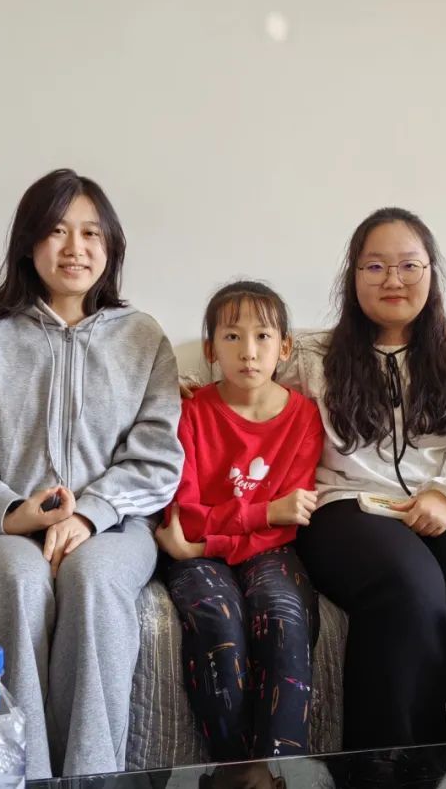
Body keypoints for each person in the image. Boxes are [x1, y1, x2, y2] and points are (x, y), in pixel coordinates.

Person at [0, 168, 184, 778]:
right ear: (28, 242)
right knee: (21, 580)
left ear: (111, 247)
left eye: (91, 233)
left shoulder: (143, 337)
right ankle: (17, 773)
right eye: (57, 231)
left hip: (114, 526)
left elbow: (157, 457)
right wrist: (13, 514)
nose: (75, 248)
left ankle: (92, 775)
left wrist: (89, 514)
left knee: (93, 581)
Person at [287, 207, 446, 749]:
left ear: (431, 273)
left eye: (408, 265)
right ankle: (394, 768)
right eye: (375, 267)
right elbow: (250, 392)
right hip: (347, 507)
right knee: (410, 589)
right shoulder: (311, 359)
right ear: (353, 277)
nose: (393, 280)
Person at [157, 281, 323, 760]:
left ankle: (280, 769)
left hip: (263, 550)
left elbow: (287, 523)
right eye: (232, 337)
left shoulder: (304, 418)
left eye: (262, 336)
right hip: (199, 556)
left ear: (284, 348)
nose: (248, 351)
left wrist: (210, 541)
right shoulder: (191, 414)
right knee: (217, 618)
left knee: (282, 613)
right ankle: (234, 767)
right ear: (211, 350)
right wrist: (263, 511)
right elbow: (188, 518)